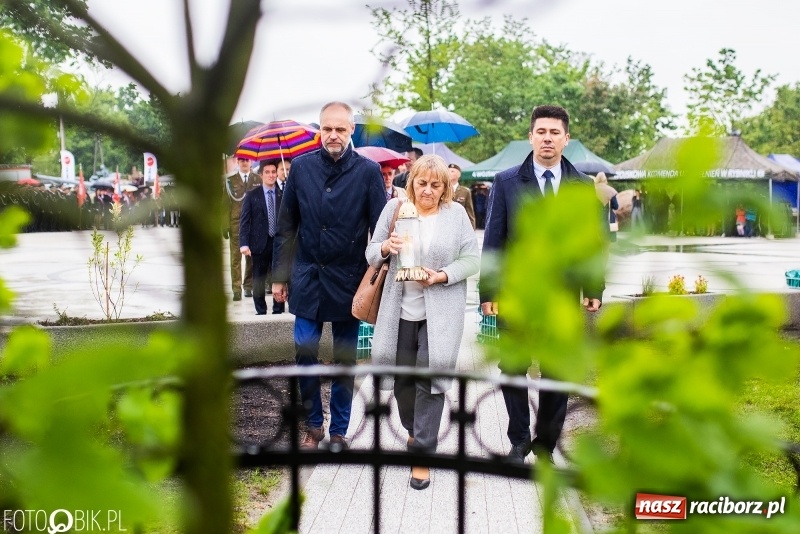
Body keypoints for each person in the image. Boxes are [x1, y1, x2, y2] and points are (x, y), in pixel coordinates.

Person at [480, 104, 605, 463]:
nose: (547, 138)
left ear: (566, 139)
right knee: (512, 368)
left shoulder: (583, 187)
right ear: (530, 137)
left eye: (554, 132)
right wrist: (489, 291)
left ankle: (546, 445)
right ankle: (519, 440)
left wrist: (593, 287)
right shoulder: (506, 182)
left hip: (562, 296)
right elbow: (494, 241)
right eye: (541, 132)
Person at [272, 101, 387, 450]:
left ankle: (338, 431)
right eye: (327, 128)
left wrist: (377, 276)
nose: (333, 135)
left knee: (345, 359)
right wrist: (279, 277)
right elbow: (286, 227)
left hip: (349, 280)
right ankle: (313, 423)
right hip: (307, 276)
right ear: (319, 130)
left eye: (340, 129)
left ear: (352, 130)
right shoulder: (301, 167)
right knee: (304, 350)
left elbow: (380, 229)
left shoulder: (368, 172)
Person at [368, 155, 479, 490]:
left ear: (445, 188)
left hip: (440, 314)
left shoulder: (455, 215)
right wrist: (386, 246)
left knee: (430, 380)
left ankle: (422, 454)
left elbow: (472, 259)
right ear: (411, 182)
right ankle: (414, 432)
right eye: (422, 183)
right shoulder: (394, 209)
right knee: (402, 381)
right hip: (398, 311)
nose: (428, 190)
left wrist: (442, 275)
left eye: (435, 185)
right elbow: (371, 253)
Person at [239, 160, 285, 315]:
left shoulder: (283, 194)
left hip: (278, 243)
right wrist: (244, 243)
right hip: (259, 244)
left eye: (273, 172)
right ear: (261, 175)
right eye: (267, 172)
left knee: (278, 277)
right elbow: (245, 221)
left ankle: (278, 309)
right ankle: (261, 310)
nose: (271, 175)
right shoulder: (252, 195)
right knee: (258, 278)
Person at [224, 156, 261, 301]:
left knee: (251, 257)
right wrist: (225, 225)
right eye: (242, 160)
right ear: (238, 162)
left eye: (247, 160)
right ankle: (236, 289)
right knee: (235, 258)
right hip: (236, 224)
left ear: (251, 162)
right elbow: (225, 205)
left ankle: (248, 286)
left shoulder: (257, 179)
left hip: (253, 224)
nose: (245, 163)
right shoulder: (230, 181)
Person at [448, 163, 476, 229]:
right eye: (448, 171)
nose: (449, 173)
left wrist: (472, 229)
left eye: (452, 171)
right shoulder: (442, 189)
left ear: (459, 175)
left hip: (459, 226)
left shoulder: (465, 191)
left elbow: (469, 212)